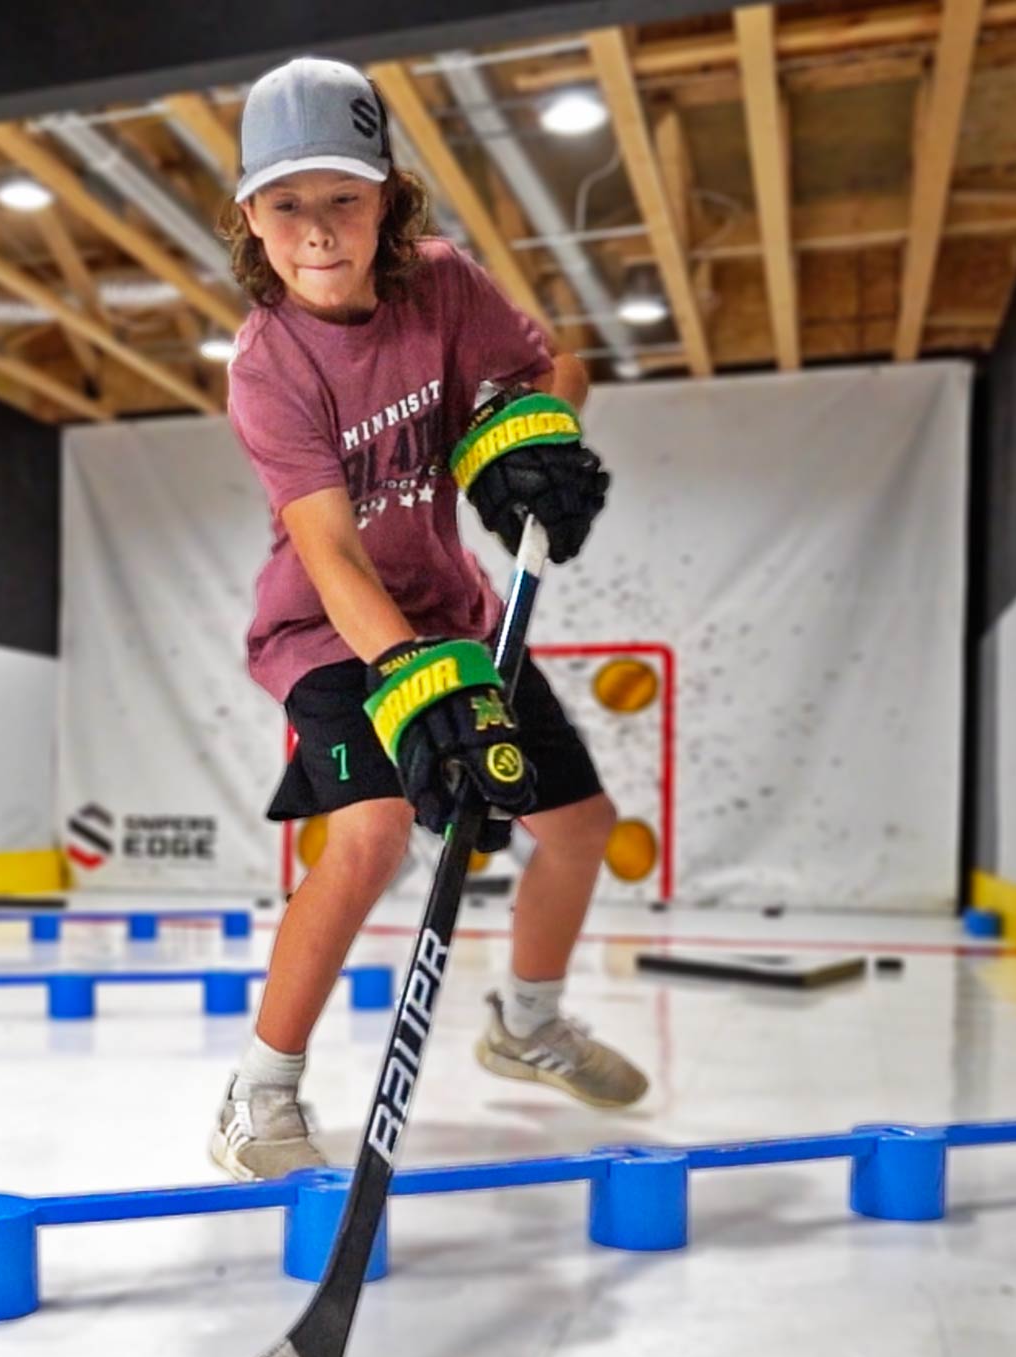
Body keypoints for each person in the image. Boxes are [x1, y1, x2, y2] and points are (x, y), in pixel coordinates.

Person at [211, 57, 648, 1182]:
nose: (317, 229)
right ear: (250, 215)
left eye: (344, 199)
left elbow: (554, 371)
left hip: (455, 612)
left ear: (388, 203)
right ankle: (258, 1093)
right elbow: (333, 551)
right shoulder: (267, 367)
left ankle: (528, 1023)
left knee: (580, 826)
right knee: (370, 836)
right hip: (328, 628)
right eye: (287, 203)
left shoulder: (443, 285)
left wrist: (524, 436)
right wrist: (412, 676)